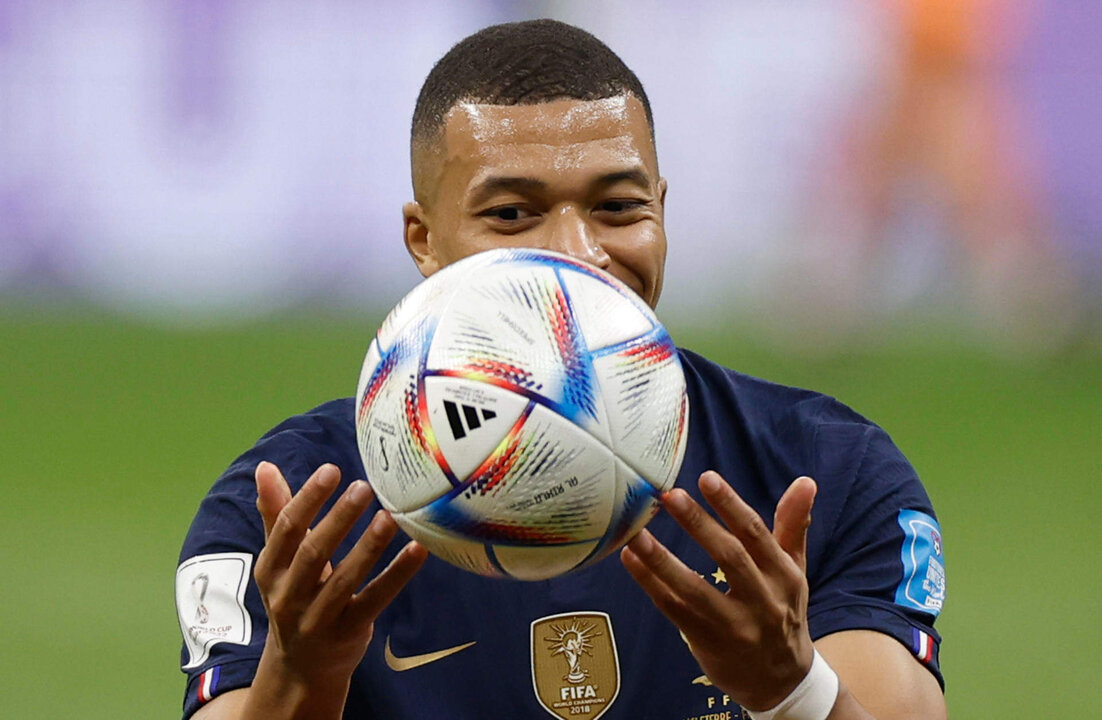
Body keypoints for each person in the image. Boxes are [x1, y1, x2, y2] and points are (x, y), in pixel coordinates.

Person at [176, 19, 947, 720]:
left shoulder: (822, 476)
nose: (579, 253)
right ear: (424, 240)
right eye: (512, 214)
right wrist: (298, 680)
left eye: (619, 207)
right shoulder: (292, 512)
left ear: (662, 215)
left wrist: (793, 692)